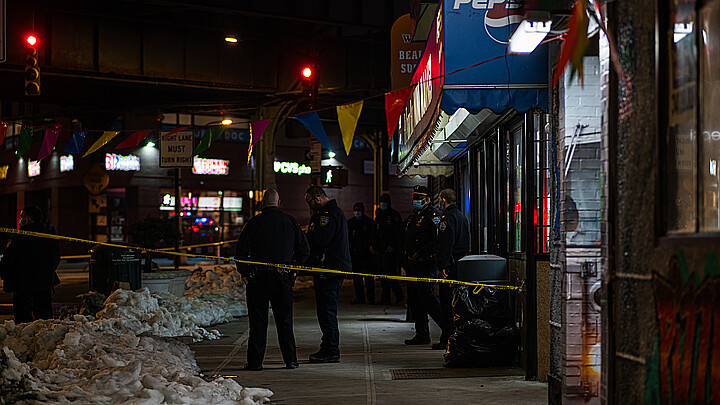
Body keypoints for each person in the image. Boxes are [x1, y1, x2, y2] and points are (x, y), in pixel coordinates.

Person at [235, 189, 310, 371]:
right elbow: (304, 251)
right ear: (279, 202)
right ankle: (290, 360)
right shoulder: (290, 222)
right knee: (284, 321)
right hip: (281, 276)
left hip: (258, 278)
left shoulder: (253, 223)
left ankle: (255, 362)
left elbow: (241, 252)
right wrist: (292, 268)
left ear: (262, 203)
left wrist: (244, 273)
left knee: (258, 321)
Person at [304, 186, 351, 363]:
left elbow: (320, 240)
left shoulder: (327, 215)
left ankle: (331, 349)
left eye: (310, 203)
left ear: (317, 199)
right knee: (326, 310)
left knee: (327, 311)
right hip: (328, 268)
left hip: (328, 269)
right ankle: (328, 347)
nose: (309, 206)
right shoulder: (330, 213)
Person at [402, 186, 452, 346]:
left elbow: (436, 240)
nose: (416, 200)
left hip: (426, 263)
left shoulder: (434, 216)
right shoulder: (416, 215)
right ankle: (422, 333)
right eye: (414, 197)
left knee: (427, 297)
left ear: (428, 199)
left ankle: (449, 330)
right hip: (413, 264)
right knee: (416, 299)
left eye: (419, 198)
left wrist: (421, 251)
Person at [0, 206, 60, 323]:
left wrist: (4, 273)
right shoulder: (49, 235)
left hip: (23, 285)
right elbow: (56, 258)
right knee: (44, 319)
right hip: (44, 283)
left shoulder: (19, 237)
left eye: (21, 217)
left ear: (27, 219)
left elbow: (8, 259)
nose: (20, 220)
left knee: (23, 320)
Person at [434, 188, 470, 350]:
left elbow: (445, 243)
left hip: (450, 265)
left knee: (447, 302)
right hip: (460, 264)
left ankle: (448, 336)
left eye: (440, 200)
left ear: (443, 200)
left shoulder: (447, 218)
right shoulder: (461, 216)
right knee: (457, 302)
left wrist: (442, 266)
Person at [371, 193, 405, 305]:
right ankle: (385, 297)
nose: (383, 204)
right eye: (381, 201)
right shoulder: (379, 215)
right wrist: (374, 246)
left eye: (384, 202)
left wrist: (393, 246)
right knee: (382, 275)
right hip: (380, 250)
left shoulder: (393, 215)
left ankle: (398, 295)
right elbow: (376, 232)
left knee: (390, 274)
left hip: (390, 251)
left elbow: (397, 233)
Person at [348, 202, 375, 305]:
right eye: (355, 210)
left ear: (363, 210)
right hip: (355, 255)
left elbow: (372, 238)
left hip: (367, 255)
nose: (357, 212)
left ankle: (371, 298)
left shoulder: (369, 223)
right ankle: (360, 298)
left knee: (369, 278)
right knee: (357, 279)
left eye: (358, 210)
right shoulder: (351, 223)